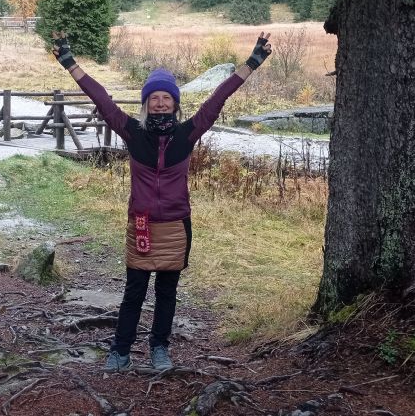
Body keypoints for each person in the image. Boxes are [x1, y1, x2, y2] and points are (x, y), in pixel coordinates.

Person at [51, 31, 272, 371]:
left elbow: (218, 97)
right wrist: (70, 63)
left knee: (167, 294)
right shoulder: (132, 133)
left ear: (175, 103)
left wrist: (252, 63)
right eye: (153, 97)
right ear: (145, 103)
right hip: (141, 224)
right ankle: (120, 352)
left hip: (175, 225)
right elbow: (101, 99)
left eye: (166, 98)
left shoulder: (188, 133)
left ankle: (160, 349)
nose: (159, 102)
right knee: (134, 292)